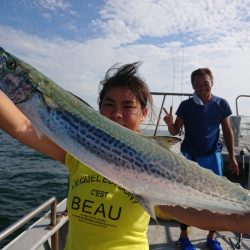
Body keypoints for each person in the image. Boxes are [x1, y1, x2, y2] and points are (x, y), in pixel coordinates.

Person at [0, 63, 249, 250]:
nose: (117, 113)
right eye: (108, 104)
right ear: (98, 110)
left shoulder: (151, 166)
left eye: (128, 106)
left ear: (143, 113)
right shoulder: (78, 153)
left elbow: (196, 214)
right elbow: (21, 127)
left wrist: (241, 221)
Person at [163, 68, 240, 250]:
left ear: (212, 82)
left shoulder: (221, 104)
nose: (201, 87)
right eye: (197, 84)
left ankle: (212, 237)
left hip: (212, 156)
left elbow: (227, 132)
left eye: (205, 83)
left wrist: (233, 158)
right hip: (190, 156)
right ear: (193, 86)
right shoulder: (186, 106)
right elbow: (175, 131)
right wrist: (169, 123)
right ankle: (183, 236)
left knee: (215, 196)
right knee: (186, 196)